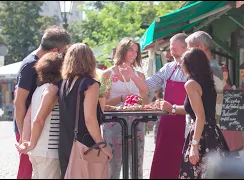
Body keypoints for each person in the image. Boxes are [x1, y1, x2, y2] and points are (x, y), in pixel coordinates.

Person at [157, 48, 229, 179]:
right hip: (213, 133)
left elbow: (200, 116)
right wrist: (172, 108)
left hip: (201, 135)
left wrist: (194, 146)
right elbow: (197, 109)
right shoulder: (207, 81)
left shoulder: (191, 84)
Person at [13, 25, 71, 179]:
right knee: (26, 173)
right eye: (64, 50)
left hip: (33, 128)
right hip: (31, 131)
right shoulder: (29, 65)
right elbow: (19, 102)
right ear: (56, 51)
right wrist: (24, 137)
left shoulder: (37, 64)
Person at [58, 43, 113, 177]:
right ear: (90, 60)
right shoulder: (90, 84)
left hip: (65, 142)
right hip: (84, 143)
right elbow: (89, 119)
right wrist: (102, 144)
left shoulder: (63, 83)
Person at [102, 37, 148, 179]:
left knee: (136, 164)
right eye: (130, 50)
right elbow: (102, 102)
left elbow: (144, 98)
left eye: (136, 51)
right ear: (122, 50)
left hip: (135, 123)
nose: (134, 54)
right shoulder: (107, 74)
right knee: (113, 165)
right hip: (114, 122)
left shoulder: (139, 74)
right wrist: (121, 98)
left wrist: (133, 77)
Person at [146, 33, 188, 179]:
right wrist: (131, 79)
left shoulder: (195, 70)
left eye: (174, 49)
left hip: (187, 123)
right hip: (167, 123)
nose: (172, 52)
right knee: (163, 162)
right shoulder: (168, 68)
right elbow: (149, 84)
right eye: (170, 49)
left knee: (183, 163)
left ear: (186, 48)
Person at [16, 52, 64, 179]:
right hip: (48, 150)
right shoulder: (52, 90)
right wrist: (31, 143)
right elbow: (38, 120)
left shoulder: (39, 90)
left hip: (38, 151)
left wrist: (26, 141)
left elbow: (28, 118)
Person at [185, 31, 224, 125]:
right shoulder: (209, 67)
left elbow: (207, 102)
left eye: (190, 48)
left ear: (201, 46)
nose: (188, 52)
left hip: (207, 125)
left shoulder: (211, 69)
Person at [220, 65, 243, 154]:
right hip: (221, 120)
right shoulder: (215, 89)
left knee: (232, 145)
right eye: (223, 74)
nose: (225, 76)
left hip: (231, 121)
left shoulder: (231, 88)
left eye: (226, 74)